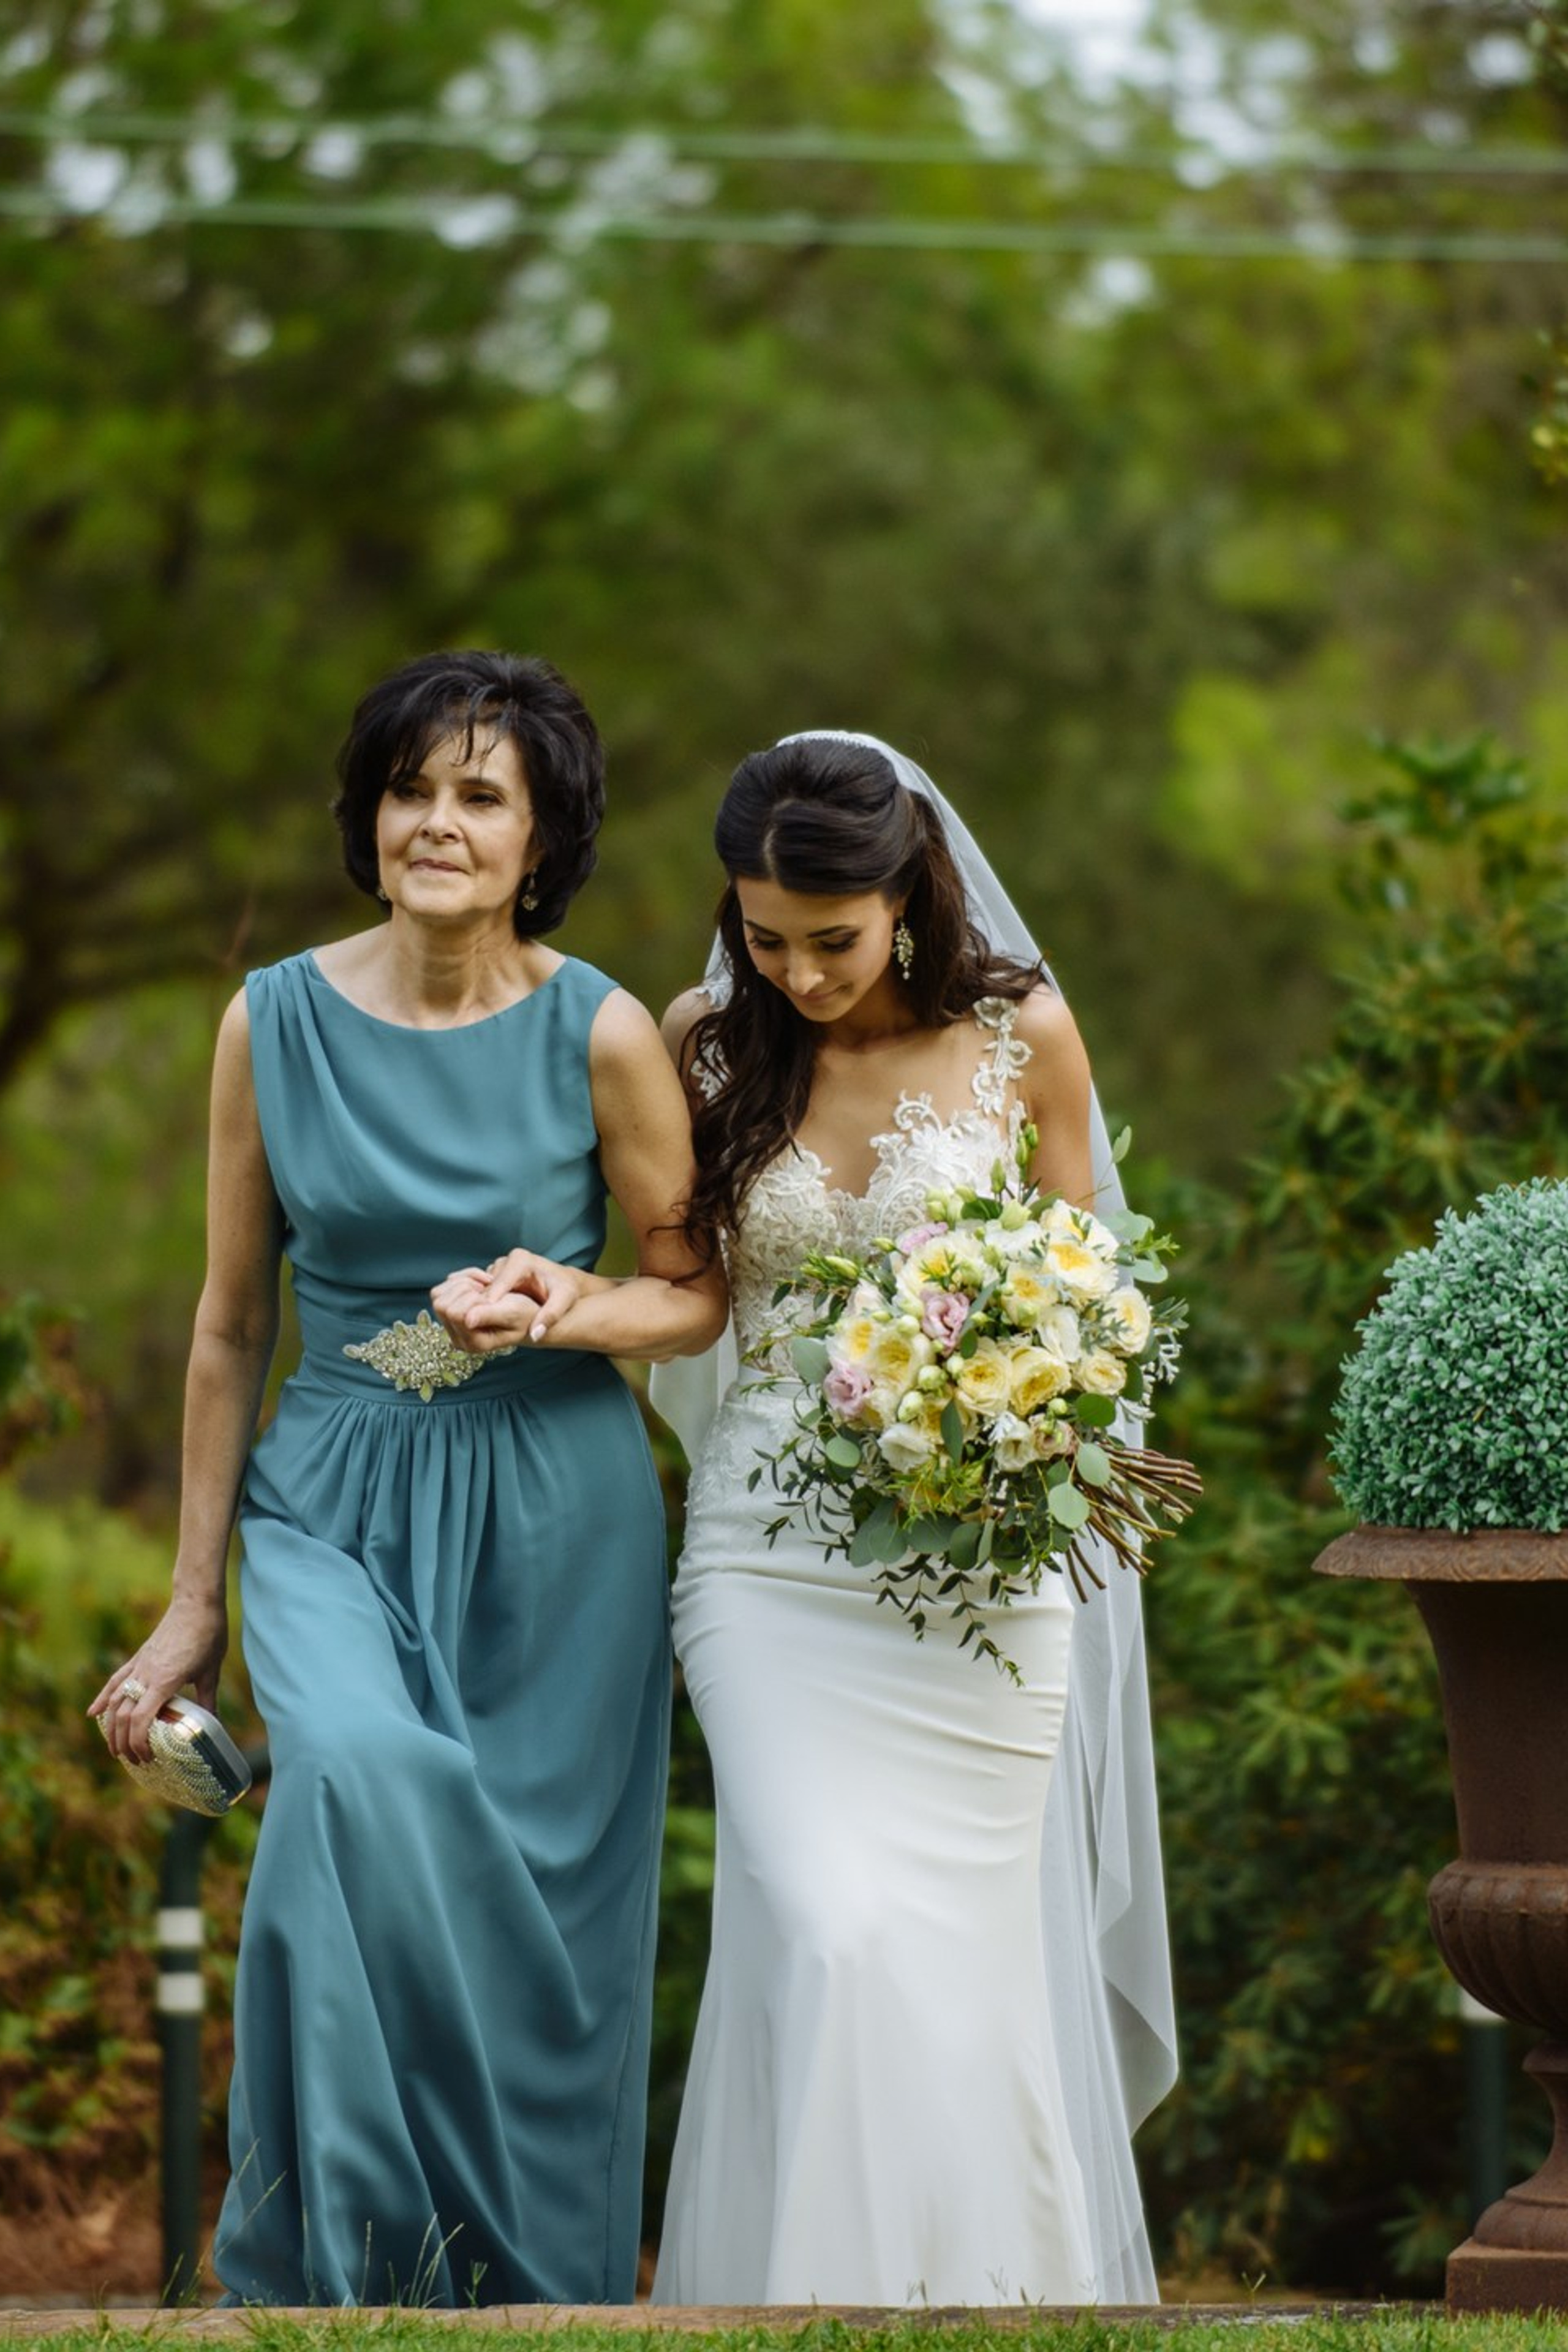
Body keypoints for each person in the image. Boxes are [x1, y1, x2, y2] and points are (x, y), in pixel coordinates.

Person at [90, 649, 726, 2308]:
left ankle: (518, 2289)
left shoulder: (599, 1032)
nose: (436, 822)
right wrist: (189, 1610)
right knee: (355, 1781)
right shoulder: (271, 1023)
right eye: (409, 787)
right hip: (331, 1499)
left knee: (543, 1910)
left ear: (542, 836)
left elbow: (697, 1286)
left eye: (479, 794)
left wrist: (564, 1303)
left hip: (555, 1512)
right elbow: (233, 1327)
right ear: (369, 815)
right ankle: (334, 2262)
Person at [645, 730, 1178, 2307]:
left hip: (981, 1582)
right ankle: (807, 2297)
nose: (796, 973)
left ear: (907, 895)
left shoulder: (1025, 1035)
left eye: (831, 939)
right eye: (762, 937)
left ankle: (994, 2305)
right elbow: (689, 1296)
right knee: (821, 1924)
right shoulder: (703, 1044)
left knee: (961, 1964)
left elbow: (1104, 1306)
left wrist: (1016, 1418)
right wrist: (556, 1307)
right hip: (763, 1562)